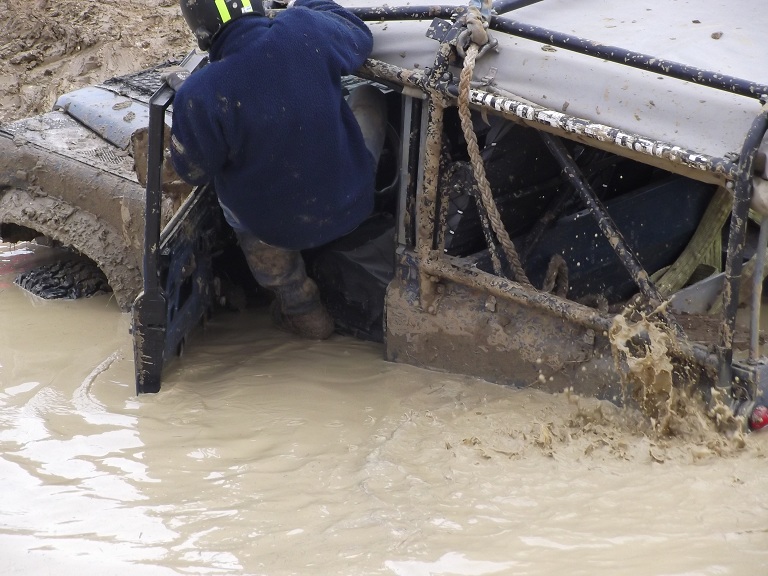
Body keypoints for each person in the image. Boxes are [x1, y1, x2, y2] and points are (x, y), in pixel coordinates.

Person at [170, 0, 386, 339]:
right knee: (370, 95)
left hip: (275, 229)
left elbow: (193, 172)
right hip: (352, 202)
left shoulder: (200, 93)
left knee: (227, 191)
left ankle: (299, 305)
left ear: (199, 28)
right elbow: (360, 35)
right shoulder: (305, 28)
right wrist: (305, 6)